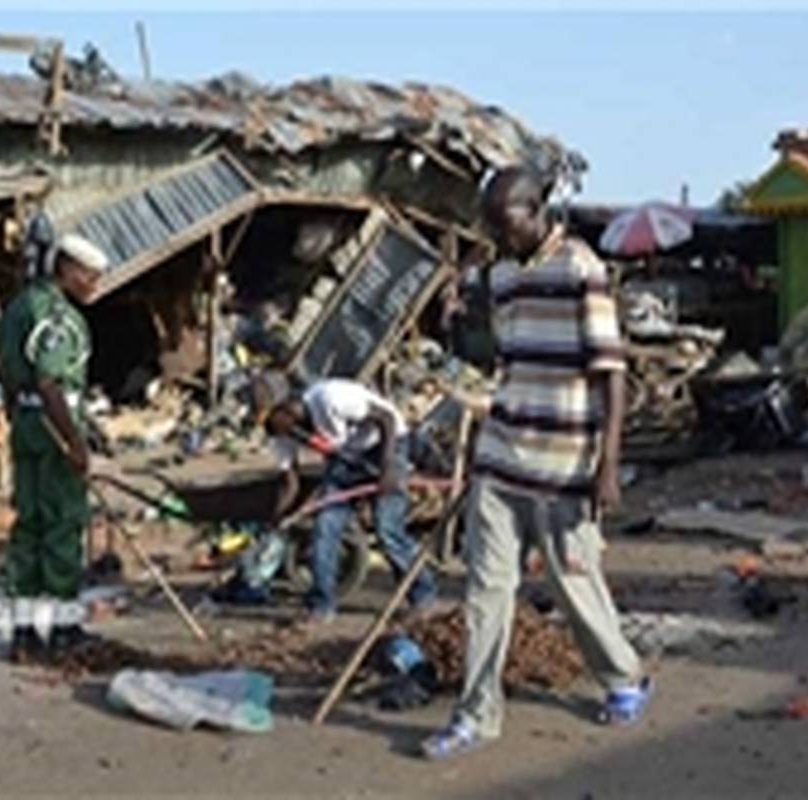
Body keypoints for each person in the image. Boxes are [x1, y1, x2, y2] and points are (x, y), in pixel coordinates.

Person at [421, 167, 651, 760]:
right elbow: (506, 359)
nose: (499, 235)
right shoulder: (500, 276)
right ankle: (476, 716)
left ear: (536, 210)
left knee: (574, 583)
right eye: (491, 226)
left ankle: (623, 676)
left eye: (506, 223)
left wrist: (608, 463)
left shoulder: (580, 269)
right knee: (485, 591)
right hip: (501, 458)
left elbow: (611, 371)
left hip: (564, 465)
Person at [0, 230, 109, 664]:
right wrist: (75, 443)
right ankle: (64, 630)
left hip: (26, 425)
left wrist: (18, 418)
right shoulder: (59, 317)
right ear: (67, 269)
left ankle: (23, 632)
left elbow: (9, 374)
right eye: (90, 275)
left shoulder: (19, 306)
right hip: (53, 427)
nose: (95, 285)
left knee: (28, 526)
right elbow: (49, 381)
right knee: (63, 525)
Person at [254, 375, 438, 623]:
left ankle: (423, 596)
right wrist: (278, 519)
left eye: (268, 420)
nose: (267, 429)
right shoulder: (283, 432)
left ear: (285, 410)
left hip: (386, 445)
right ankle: (321, 605)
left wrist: (388, 468)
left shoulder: (330, 398)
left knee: (387, 529)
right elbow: (290, 480)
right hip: (346, 460)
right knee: (325, 527)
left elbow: (386, 418)